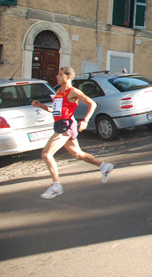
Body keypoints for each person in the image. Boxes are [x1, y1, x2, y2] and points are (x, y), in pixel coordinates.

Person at [31, 66, 113, 199]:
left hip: (66, 126)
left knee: (46, 154)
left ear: (68, 77)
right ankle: (104, 166)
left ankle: (56, 185)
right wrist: (40, 106)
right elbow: (55, 110)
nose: (57, 76)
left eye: (60, 74)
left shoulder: (73, 91)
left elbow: (92, 103)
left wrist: (85, 120)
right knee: (77, 154)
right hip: (60, 124)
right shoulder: (58, 91)